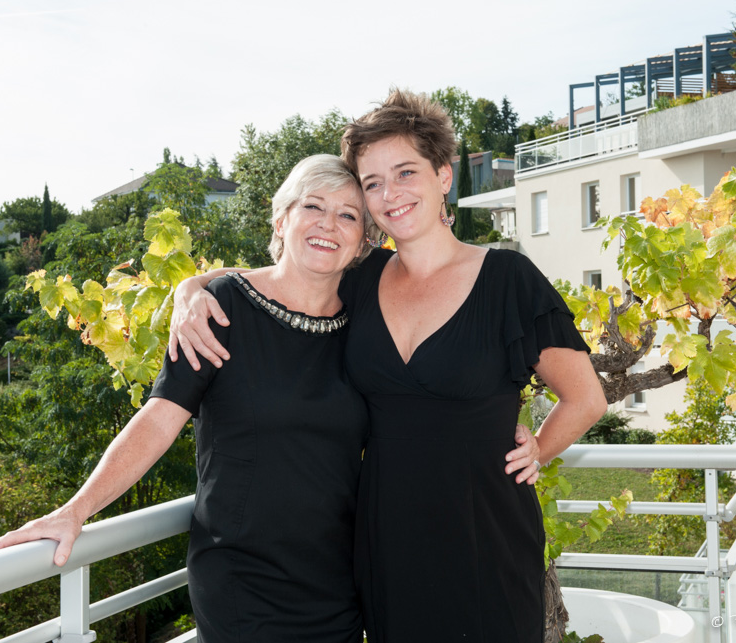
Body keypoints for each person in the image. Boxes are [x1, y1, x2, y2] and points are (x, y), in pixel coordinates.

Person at [0, 153, 540, 643]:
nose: (329, 224)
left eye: (349, 215)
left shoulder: (366, 315)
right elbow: (160, 418)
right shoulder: (222, 310)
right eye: (313, 208)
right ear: (282, 219)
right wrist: (76, 509)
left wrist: (517, 436)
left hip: (340, 578)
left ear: (364, 241)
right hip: (242, 578)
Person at [168, 91, 607, 643]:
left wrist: (537, 449)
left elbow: (586, 398)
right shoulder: (361, 277)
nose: (389, 193)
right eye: (372, 182)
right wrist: (191, 288)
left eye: (405, 172)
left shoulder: (507, 279)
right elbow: (281, 276)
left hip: (484, 533)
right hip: (383, 537)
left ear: (443, 176)